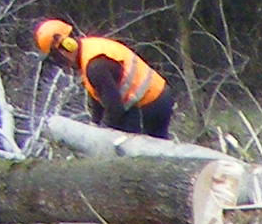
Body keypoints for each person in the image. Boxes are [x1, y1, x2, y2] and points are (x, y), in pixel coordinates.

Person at [31, 19, 172, 141]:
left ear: (66, 46)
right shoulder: (89, 51)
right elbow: (100, 96)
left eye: (56, 58)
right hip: (159, 94)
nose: (60, 64)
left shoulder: (95, 66)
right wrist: (95, 123)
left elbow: (114, 109)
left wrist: (100, 135)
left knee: (125, 149)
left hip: (149, 103)